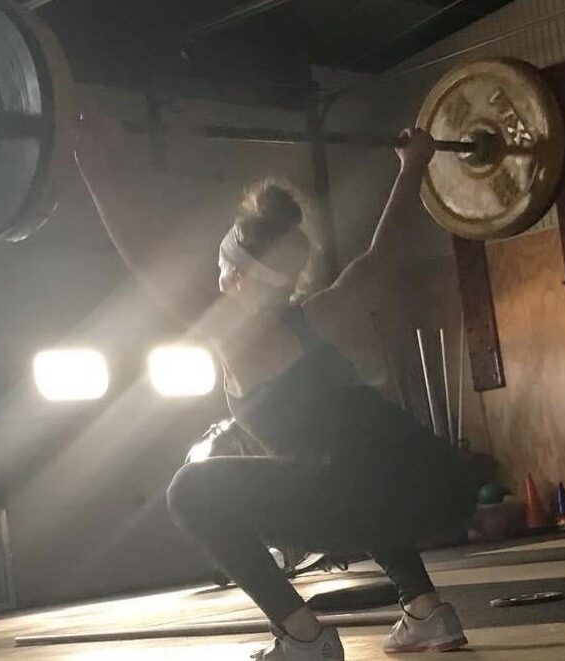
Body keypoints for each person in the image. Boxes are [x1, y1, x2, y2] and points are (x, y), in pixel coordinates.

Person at [74, 99, 475, 661]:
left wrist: (97, 170)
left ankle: (304, 638)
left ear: (238, 276)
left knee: (188, 491)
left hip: (347, 498)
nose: (215, 281)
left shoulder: (241, 335)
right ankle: (427, 611)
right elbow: (382, 254)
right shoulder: (324, 310)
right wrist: (414, 166)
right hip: (420, 483)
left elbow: (150, 263)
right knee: (357, 459)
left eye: (222, 271)